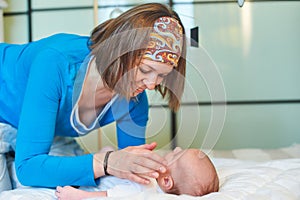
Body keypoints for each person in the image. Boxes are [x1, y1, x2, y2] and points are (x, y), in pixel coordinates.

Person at [0, 3, 186, 192]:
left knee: (75, 181)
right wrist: (106, 161)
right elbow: (28, 168)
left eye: (162, 75)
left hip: (30, 127)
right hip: (4, 114)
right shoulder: (54, 63)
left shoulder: (135, 100)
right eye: (145, 70)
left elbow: (132, 173)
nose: (152, 84)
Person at [55, 147, 219, 199]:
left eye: (176, 155)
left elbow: (109, 195)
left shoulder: (144, 185)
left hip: (91, 182)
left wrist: (77, 195)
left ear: (167, 181)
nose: (175, 148)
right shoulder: (151, 176)